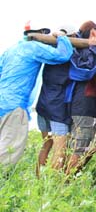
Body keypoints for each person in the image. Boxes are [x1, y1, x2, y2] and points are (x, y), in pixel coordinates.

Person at [0, 24, 73, 165]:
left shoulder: (11, 49)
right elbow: (63, 55)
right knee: (9, 148)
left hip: (2, 100)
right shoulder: (33, 47)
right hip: (14, 105)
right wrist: (62, 38)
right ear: (42, 33)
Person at [66, 20, 96, 174]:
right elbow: (88, 70)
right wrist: (95, 49)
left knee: (89, 146)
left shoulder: (95, 52)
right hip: (83, 106)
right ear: (93, 32)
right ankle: (65, 183)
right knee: (79, 148)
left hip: (90, 106)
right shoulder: (85, 50)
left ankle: (71, 178)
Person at [35, 25, 77, 172]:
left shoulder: (51, 53)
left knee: (46, 144)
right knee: (60, 149)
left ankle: (39, 180)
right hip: (57, 109)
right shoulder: (68, 56)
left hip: (43, 104)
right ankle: (52, 185)